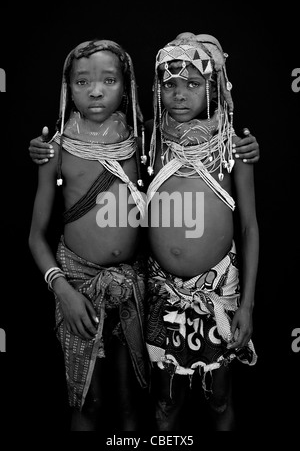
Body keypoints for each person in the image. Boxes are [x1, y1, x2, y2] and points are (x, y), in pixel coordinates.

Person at [28, 39, 150, 432]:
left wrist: (239, 145)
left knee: (131, 401)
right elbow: (35, 237)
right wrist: (64, 291)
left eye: (108, 80)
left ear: (126, 86)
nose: (95, 91)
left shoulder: (143, 143)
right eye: (82, 82)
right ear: (68, 89)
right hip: (78, 286)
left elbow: (201, 140)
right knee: (87, 400)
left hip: (129, 287)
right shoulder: (56, 150)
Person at [144, 32, 259, 431]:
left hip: (218, 289)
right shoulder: (150, 141)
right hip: (162, 289)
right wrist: (46, 147)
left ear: (214, 89)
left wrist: (247, 305)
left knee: (219, 398)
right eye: (170, 84)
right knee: (165, 402)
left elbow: (248, 227)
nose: (179, 94)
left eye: (193, 83)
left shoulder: (234, 149)